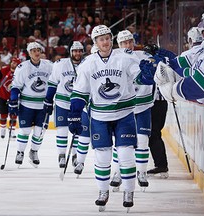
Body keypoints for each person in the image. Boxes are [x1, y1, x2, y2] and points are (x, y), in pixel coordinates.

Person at [67, 25, 144, 211]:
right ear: (95, 43)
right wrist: (74, 114)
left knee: (125, 154)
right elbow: (80, 93)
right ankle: (103, 191)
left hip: (124, 114)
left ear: (112, 39)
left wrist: (147, 75)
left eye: (108, 38)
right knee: (103, 156)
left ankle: (128, 190)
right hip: (99, 116)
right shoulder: (88, 64)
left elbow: (139, 77)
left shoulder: (125, 58)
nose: (105, 41)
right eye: (101, 39)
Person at [110, 30, 154, 190]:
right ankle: (117, 172)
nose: (127, 45)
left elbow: (158, 70)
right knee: (121, 143)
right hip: (124, 108)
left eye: (129, 41)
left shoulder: (143, 55)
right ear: (118, 44)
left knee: (142, 140)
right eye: (123, 42)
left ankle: (141, 172)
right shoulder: (114, 58)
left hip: (143, 106)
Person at [9, 42, 53, 167]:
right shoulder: (22, 67)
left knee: (40, 131)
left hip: (43, 105)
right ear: (29, 53)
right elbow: (16, 86)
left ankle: (33, 152)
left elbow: (56, 81)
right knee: (25, 130)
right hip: (26, 104)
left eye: (38, 49)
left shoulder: (49, 65)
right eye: (33, 50)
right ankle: (20, 152)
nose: (36, 52)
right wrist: (13, 100)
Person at [43, 41, 85, 169]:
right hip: (62, 101)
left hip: (79, 104)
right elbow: (52, 83)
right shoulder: (60, 64)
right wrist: (48, 99)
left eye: (80, 51)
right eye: (75, 51)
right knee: (62, 129)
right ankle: (61, 155)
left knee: (77, 130)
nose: (77, 53)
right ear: (71, 52)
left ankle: (74, 155)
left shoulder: (87, 64)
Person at [0, 57, 21, 139]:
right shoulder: (4, 70)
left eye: (15, 63)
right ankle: (2, 130)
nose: (13, 64)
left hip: (13, 98)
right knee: (3, 115)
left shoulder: (20, 73)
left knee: (13, 115)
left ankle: (12, 130)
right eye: (13, 62)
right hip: (2, 96)